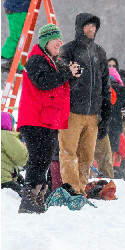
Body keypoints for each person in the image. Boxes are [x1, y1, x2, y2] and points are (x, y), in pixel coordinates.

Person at [17, 23, 80, 213]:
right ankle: (29, 199)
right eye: (55, 39)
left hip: (48, 119)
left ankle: (37, 199)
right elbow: (44, 83)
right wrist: (67, 73)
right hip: (35, 119)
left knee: (44, 159)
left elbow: (61, 88)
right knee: (38, 159)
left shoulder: (53, 62)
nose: (59, 43)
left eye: (61, 39)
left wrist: (73, 76)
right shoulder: (36, 60)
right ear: (45, 41)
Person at [59, 13, 111, 195]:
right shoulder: (68, 50)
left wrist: (106, 112)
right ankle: (71, 190)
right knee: (68, 152)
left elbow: (106, 85)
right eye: (88, 26)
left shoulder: (100, 52)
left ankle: (82, 188)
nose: (91, 29)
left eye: (94, 26)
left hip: (93, 114)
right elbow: (61, 78)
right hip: (72, 111)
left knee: (87, 156)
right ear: (80, 27)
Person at [1, 112, 28, 196]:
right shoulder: (6, 135)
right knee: (27, 196)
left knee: (20, 178)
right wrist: (24, 148)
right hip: (4, 179)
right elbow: (22, 158)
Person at [1, 0, 29, 71]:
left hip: (16, 8)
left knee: (20, 38)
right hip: (18, 9)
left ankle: (16, 62)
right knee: (18, 37)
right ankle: (5, 56)